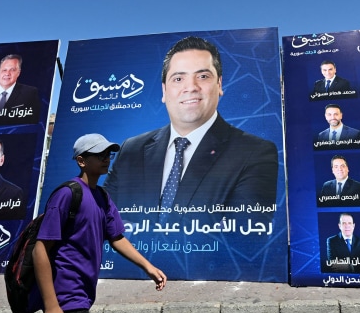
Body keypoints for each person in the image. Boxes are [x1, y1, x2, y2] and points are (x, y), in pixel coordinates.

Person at [31, 133, 167, 313]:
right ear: (82, 161)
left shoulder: (102, 197)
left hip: (81, 293)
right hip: (66, 296)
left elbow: (116, 237)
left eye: (109, 154)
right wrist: (52, 307)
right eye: (100, 155)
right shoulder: (67, 194)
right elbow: (40, 249)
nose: (107, 159)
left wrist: (148, 266)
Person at [104, 36, 278, 219]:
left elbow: (245, 238)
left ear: (219, 84)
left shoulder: (255, 153)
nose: (191, 87)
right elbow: (101, 221)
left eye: (202, 76)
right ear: (164, 91)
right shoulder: (131, 150)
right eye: (178, 79)